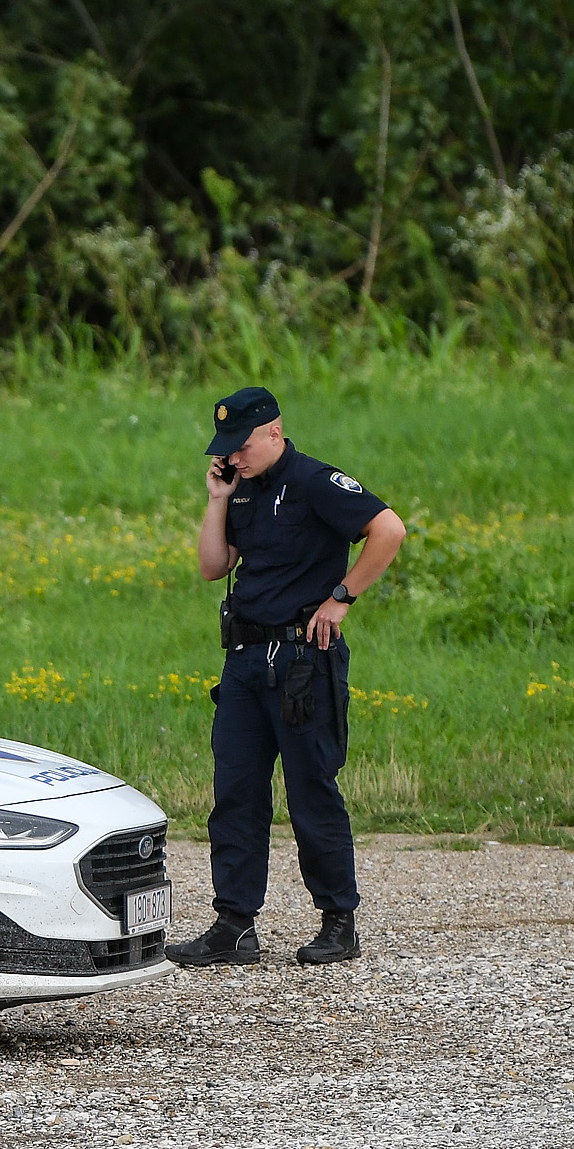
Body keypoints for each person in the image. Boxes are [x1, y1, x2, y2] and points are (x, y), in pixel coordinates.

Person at [176, 384, 405, 968]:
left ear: (275, 432)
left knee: (311, 794)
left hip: (302, 662)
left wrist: (342, 597)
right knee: (235, 793)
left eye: (242, 444)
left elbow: (389, 530)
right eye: (224, 447)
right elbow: (211, 566)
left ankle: (338, 922)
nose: (232, 456)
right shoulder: (241, 490)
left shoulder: (315, 482)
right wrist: (218, 499)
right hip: (246, 663)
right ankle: (233, 926)